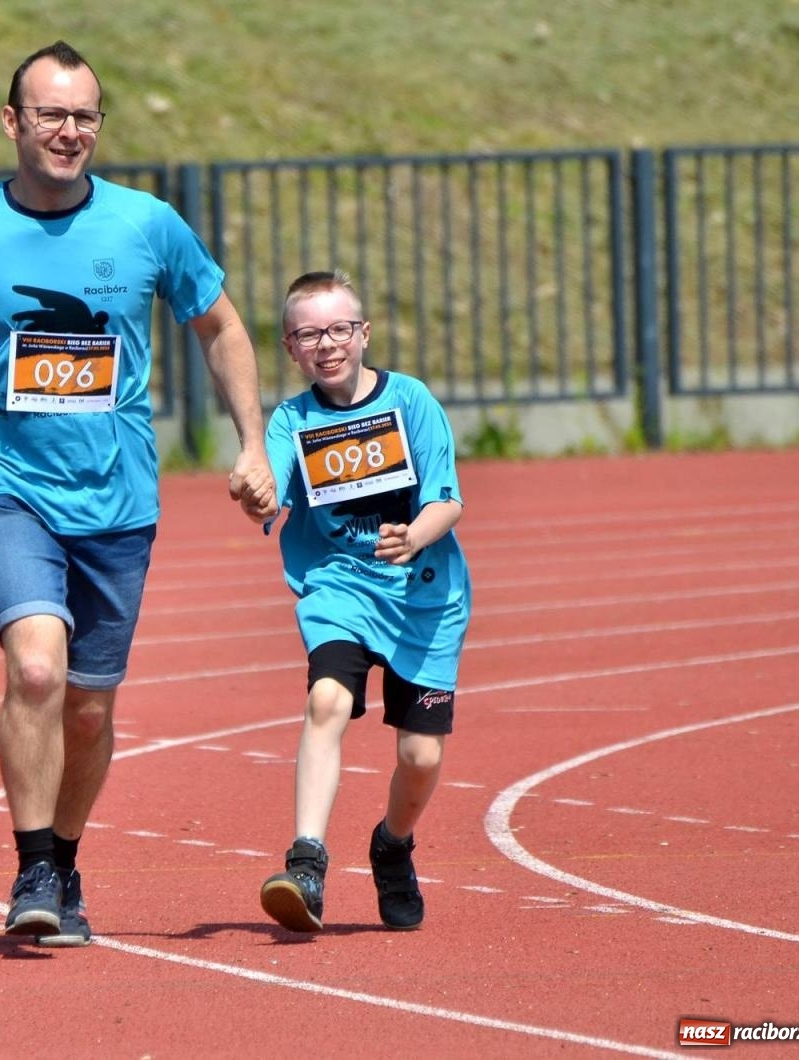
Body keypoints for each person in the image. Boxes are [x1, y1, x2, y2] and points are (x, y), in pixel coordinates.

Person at [0, 39, 276, 947]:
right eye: (52, 114)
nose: (69, 131)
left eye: (85, 116)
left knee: (91, 705)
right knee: (36, 670)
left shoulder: (148, 225)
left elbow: (220, 326)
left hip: (118, 498)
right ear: (12, 121)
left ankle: (64, 856)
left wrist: (253, 443)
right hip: (2, 483)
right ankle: (29, 867)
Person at [257, 270, 471, 933]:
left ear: (363, 333)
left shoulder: (410, 401)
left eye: (338, 329)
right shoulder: (291, 421)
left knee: (421, 757)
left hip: (424, 600)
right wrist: (256, 493)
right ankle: (307, 862)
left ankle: (393, 845)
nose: (327, 344)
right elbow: (269, 485)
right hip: (339, 587)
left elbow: (448, 498)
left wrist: (416, 536)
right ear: (292, 347)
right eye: (309, 334)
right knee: (327, 701)